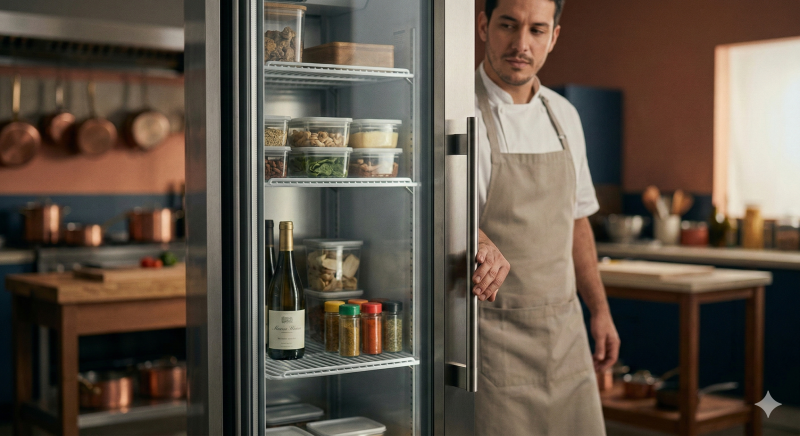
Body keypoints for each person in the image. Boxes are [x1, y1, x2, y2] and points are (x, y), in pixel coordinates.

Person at [470, 0, 620, 433]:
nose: (521, 44)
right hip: (493, 338)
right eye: (508, 25)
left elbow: (577, 221)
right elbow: (440, 219)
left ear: (553, 37)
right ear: (484, 25)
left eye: (537, 30)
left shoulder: (565, 116)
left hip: (564, 333)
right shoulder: (457, 113)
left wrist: (600, 310)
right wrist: (475, 236)